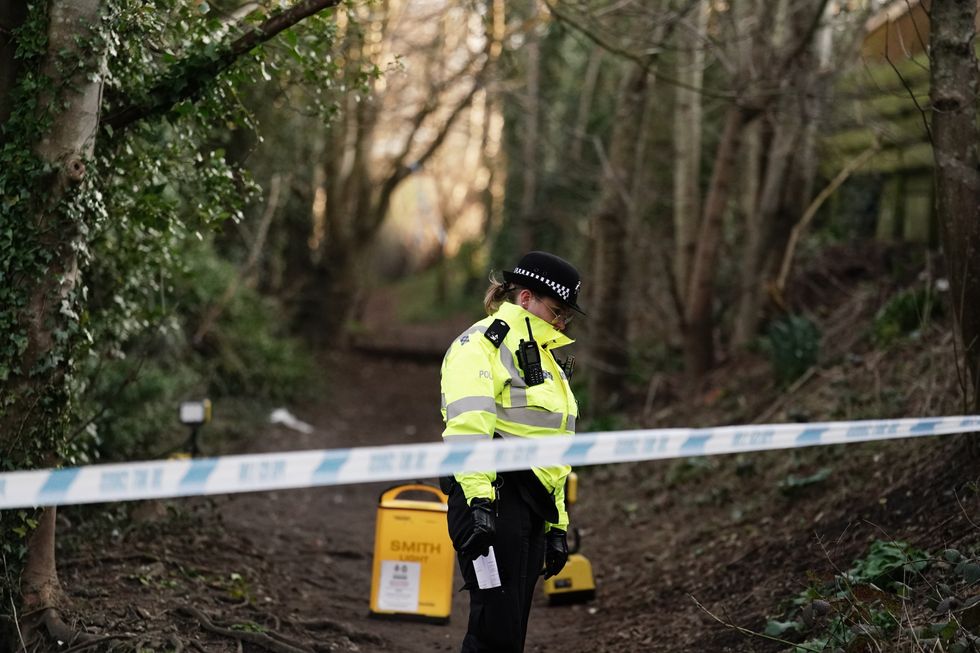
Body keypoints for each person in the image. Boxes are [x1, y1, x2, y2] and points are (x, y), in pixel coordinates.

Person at [439, 251, 584, 653]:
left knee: (512, 630)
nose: (561, 322)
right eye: (557, 311)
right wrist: (479, 503)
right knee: (493, 630)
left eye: (566, 316)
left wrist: (557, 524)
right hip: (492, 500)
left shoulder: (548, 360)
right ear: (525, 299)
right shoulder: (479, 346)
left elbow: (553, 451)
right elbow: (469, 429)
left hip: (533, 507)